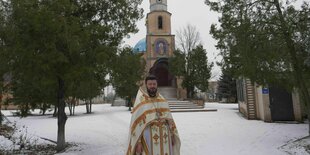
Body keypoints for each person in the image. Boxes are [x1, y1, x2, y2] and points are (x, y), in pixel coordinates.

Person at [126, 75, 181, 155]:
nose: (152, 86)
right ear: (146, 85)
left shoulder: (162, 100)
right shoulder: (141, 102)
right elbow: (137, 125)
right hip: (148, 138)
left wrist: (172, 135)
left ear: (157, 85)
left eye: (154, 84)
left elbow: (169, 119)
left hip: (165, 138)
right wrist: (138, 142)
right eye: (150, 84)